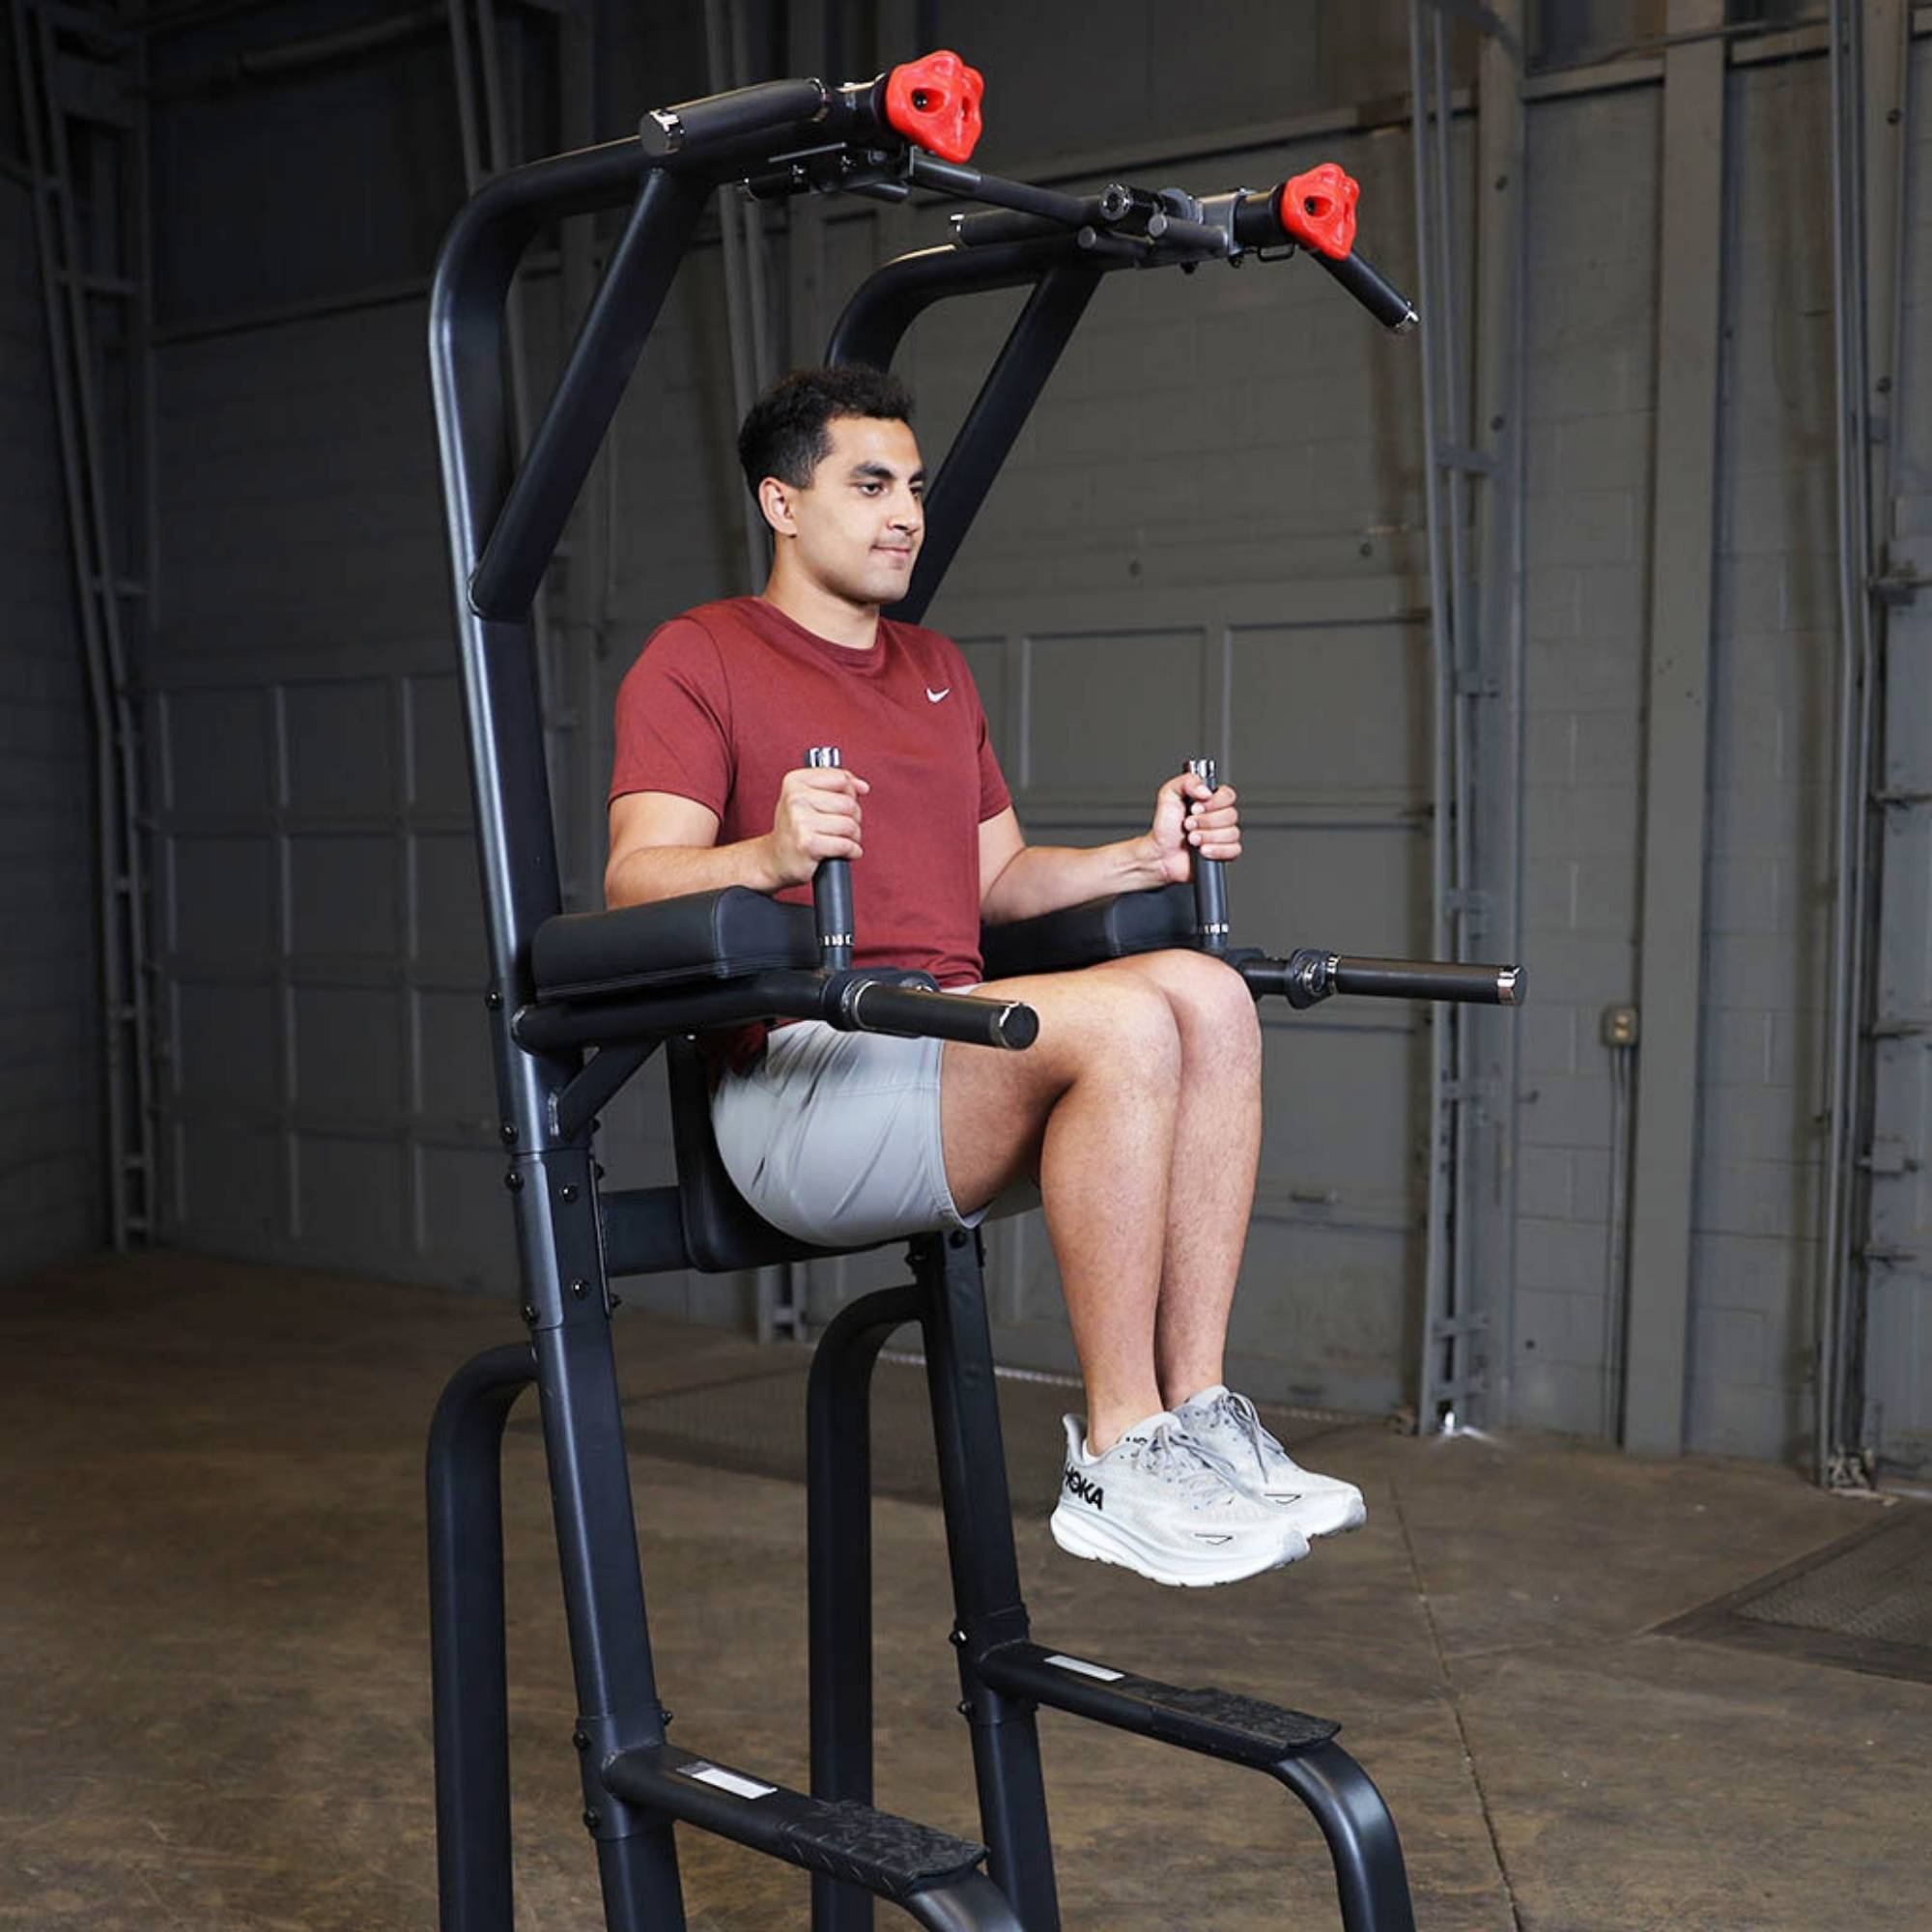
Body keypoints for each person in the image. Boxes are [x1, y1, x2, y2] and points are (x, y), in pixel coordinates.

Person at [605, 365, 1364, 1588]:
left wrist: (1141, 853)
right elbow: (634, 879)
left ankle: (1197, 1408)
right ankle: (1117, 1451)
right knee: (1122, 1018)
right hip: (804, 1084)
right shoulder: (698, 656)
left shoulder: (933, 668)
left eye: (912, 486)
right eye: (868, 485)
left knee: (1209, 993)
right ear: (781, 503)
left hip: (943, 1055)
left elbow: (995, 884)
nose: (905, 512)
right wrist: (768, 852)